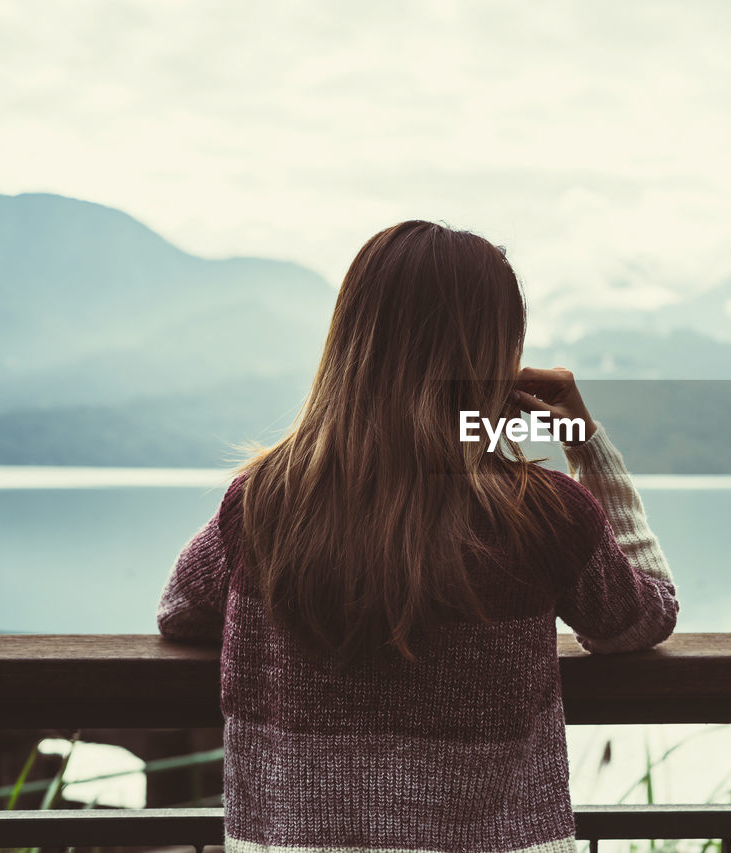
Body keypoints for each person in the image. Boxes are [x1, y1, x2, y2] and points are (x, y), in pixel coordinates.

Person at [156, 220, 679, 853]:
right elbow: (641, 618)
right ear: (499, 362)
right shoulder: (543, 516)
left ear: (350, 342)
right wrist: (585, 446)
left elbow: (180, 613)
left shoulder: (263, 504)